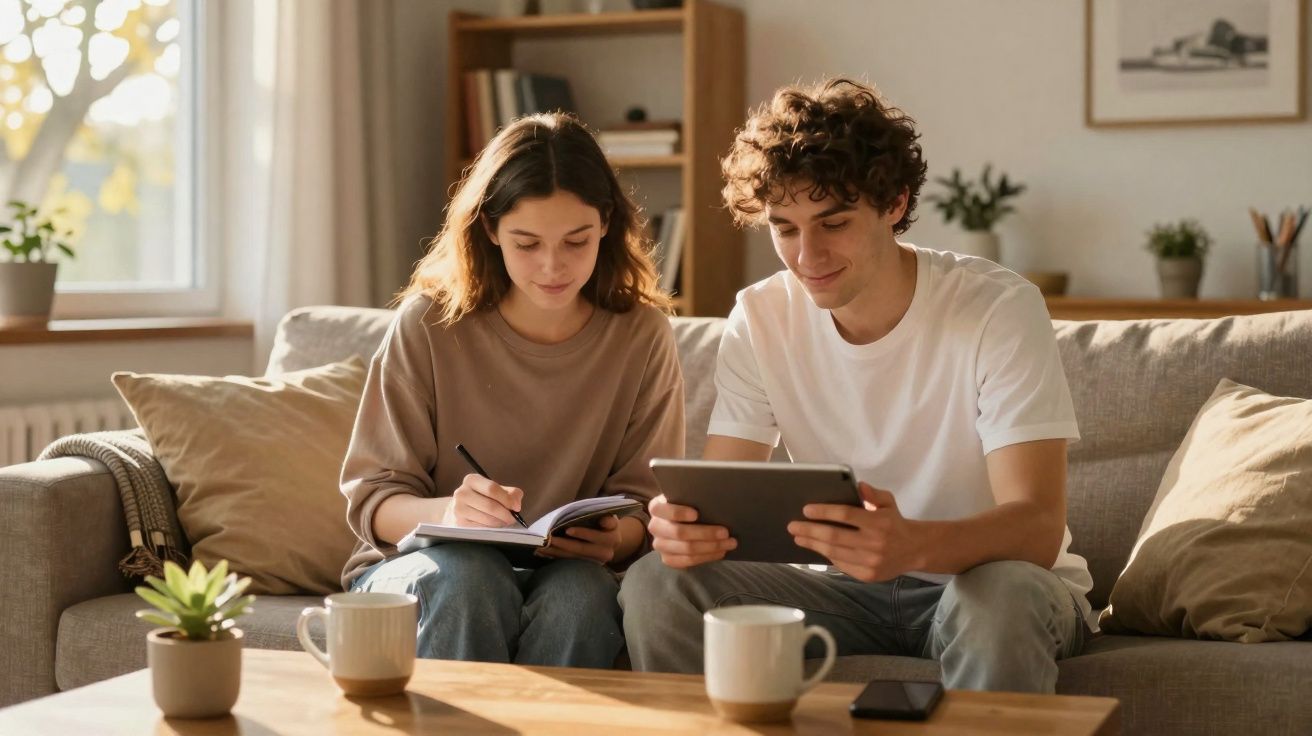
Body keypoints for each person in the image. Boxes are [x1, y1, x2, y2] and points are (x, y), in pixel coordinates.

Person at [619, 79, 1093, 693]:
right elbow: (722, 498)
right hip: (840, 590)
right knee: (658, 582)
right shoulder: (761, 317)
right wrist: (687, 529)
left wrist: (912, 546)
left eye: (833, 222)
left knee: (997, 599)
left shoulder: (997, 308)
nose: (806, 254)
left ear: (894, 204)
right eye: (784, 228)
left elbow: (1036, 527)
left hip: (992, 583)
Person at [340, 112, 684, 668]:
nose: (553, 266)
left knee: (580, 595)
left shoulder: (641, 334)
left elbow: (647, 505)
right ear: (490, 231)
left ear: (606, 227)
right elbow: (373, 502)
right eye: (527, 243)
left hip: (571, 573)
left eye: (576, 240)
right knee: (470, 576)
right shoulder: (428, 324)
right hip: (430, 569)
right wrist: (451, 514)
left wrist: (613, 540)